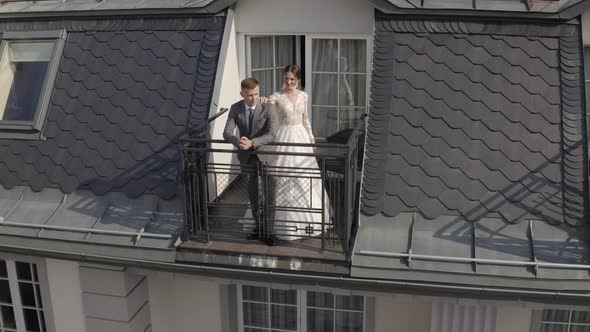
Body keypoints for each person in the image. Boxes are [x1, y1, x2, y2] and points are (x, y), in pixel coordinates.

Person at [259, 64, 331, 241]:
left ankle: (310, 220)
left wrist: (311, 137)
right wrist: (262, 99)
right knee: (285, 176)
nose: (289, 82)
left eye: (292, 79)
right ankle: (284, 224)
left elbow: (306, 118)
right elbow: (268, 102)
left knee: (304, 175)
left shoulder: (304, 96)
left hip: (300, 136)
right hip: (284, 136)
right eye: (286, 78)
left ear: (298, 80)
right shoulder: (278, 96)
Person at [223, 78, 279, 246]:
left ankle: (268, 232)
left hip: (267, 157)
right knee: (253, 196)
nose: (254, 98)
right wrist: (237, 141)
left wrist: (252, 143)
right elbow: (226, 133)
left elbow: (272, 134)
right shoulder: (235, 108)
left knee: (269, 196)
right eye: (249, 96)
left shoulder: (269, 107)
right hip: (247, 159)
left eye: (256, 94)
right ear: (242, 94)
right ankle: (258, 228)